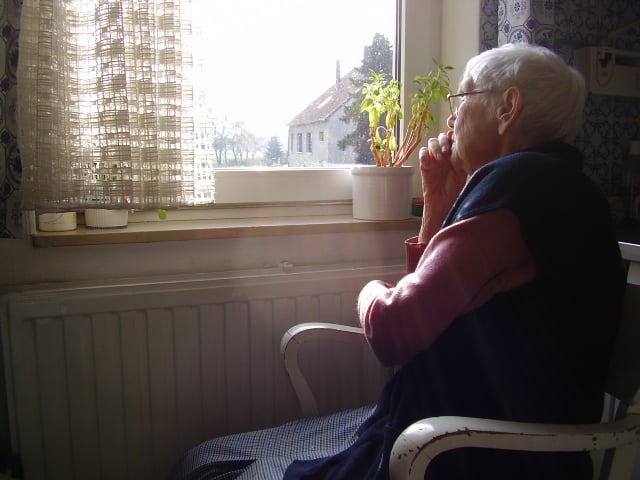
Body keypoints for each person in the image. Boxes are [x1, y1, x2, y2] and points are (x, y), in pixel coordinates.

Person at [170, 42, 625, 480]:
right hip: (506, 440)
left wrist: (368, 291)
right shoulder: (558, 185)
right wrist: (437, 202)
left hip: (471, 453)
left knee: (212, 466)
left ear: (508, 108)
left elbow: (396, 330)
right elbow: (437, 305)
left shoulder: (514, 188)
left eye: (462, 97)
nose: (453, 115)